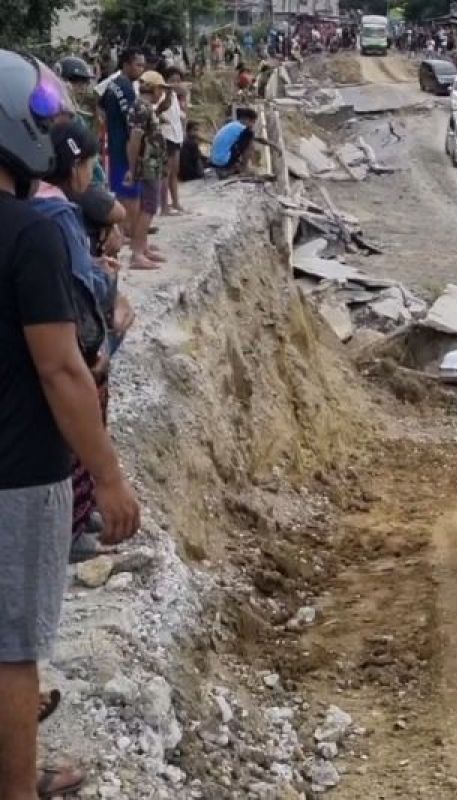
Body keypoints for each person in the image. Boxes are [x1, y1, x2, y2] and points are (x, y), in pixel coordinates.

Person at [0, 49, 140, 800]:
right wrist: (110, 478)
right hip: (17, 476)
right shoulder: (35, 233)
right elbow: (61, 369)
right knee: (12, 652)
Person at [31, 120, 133, 564]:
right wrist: (108, 283)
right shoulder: (58, 215)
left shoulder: (42, 206)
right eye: (91, 165)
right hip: (78, 342)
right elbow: (81, 284)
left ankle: (83, 509)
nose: (93, 175)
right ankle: (73, 525)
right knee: (80, 426)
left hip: (70, 336)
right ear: (75, 167)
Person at [125, 70, 169, 270]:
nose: (163, 93)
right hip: (147, 165)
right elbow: (135, 141)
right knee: (149, 207)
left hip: (152, 164)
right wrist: (132, 168)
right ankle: (137, 253)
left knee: (147, 206)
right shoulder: (142, 109)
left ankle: (142, 247)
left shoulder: (145, 108)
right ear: (153, 88)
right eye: (161, 88)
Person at [100, 48, 144, 229]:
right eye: (138, 64)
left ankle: (128, 231)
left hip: (115, 147)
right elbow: (132, 126)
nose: (141, 69)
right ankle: (130, 233)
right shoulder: (126, 88)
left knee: (121, 191)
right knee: (130, 193)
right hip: (124, 150)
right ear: (126, 64)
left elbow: (99, 107)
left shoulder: (112, 84)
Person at [56, 56, 106, 188]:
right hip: (72, 179)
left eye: (84, 82)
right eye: (75, 81)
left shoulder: (77, 112)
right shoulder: (59, 112)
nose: (81, 86)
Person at [209, 108, 277, 178]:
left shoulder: (233, 125)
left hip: (215, 161)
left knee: (245, 140)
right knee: (249, 139)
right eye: (252, 122)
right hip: (222, 161)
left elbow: (257, 139)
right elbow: (258, 139)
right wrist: (275, 146)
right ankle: (244, 170)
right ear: (247, 119)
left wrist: (273, 145)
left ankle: (230, 168)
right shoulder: (243, 129)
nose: (252, 125)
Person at [160, 67, 187, 215]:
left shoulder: (176, 97)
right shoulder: (163, 95)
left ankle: (175, 202)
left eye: (178, 81)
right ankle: (164, 206)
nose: (176, 84)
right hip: (167, 136)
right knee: (166, 172)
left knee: (174, 172)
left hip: (176, 137)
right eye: (172, 81)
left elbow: (181, 117)